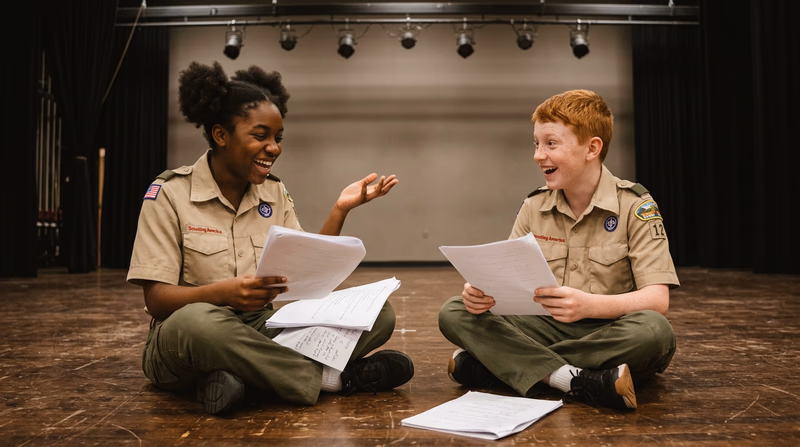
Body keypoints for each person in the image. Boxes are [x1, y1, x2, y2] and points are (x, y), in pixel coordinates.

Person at [127, 61, 414, 416]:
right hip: (189, 337)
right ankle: (335, 380)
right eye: (260, 136)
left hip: (260, 329)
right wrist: (223, 293)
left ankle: (239, 381)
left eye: (277, 138)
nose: (273, 148)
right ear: (221, 135)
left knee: (377, 313)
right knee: (198, 322)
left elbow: (309, 273)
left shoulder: (274, 193)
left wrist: (340, 209)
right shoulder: (168, 193)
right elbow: (156, 301)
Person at [438, 89, 678, 411]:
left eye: (551, 144)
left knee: (654, 332)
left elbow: (657, 299)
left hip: (608, 329)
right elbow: (505, 279)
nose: (539, 155)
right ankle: (573, 378)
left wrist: (589, 306)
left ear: (592, 148)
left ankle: (498, 365)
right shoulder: (533, 206)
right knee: (455, 311)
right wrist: (481, 293)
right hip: (542, 324)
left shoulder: (636, 206)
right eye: (536, 144)